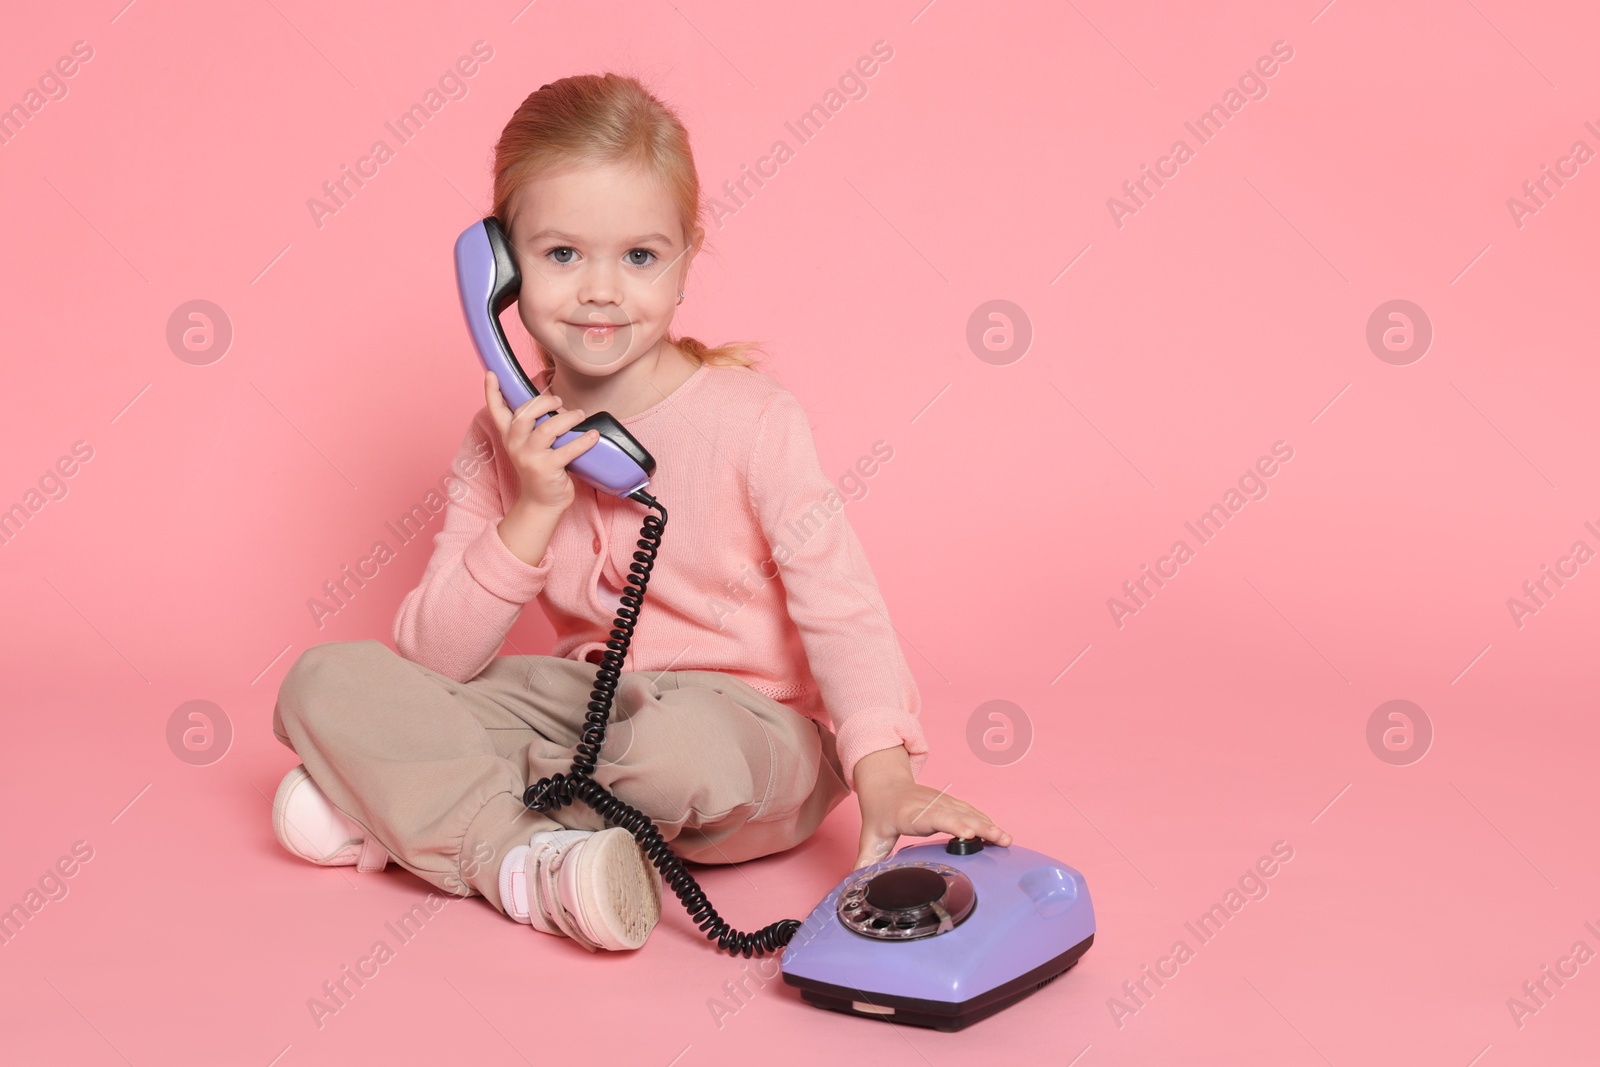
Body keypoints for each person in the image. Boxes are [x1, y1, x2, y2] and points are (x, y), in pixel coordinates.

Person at [270, 72, 1011, 953]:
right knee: (325, 677)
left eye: (640, 257)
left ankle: (413, 807)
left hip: (749, 741)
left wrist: (883, 773)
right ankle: (525, 862)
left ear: (688, 261)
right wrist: (533, 510)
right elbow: (435, 659)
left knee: (670, 749)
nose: (600, 291)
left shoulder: (754, 420)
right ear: (497, 269)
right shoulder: (499, 435)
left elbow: (839, 603)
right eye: (561, 254)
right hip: (591, 705)